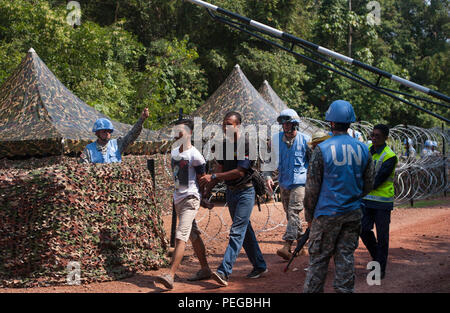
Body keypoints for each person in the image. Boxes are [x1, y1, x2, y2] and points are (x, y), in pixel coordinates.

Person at [303, 100, 374, 293]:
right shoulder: (363, 149)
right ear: (350, 122)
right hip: (353, 213)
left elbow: (311, 189)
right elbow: (369, 183)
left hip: (327, 214)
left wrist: (309, 217)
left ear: (331, 122)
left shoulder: (322, 149)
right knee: (345, 258)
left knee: (318, 260)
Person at [199, 111, 267, 287]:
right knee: (245, 232)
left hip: (245, 192)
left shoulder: (247, 144)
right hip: (231, 192)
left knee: (237, 231)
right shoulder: (222, 145)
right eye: (224, 123)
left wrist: (213, 175)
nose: (225, 127)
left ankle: (224, 271)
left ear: (238, 126)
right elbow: (219, 168)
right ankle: (259, 265)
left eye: (229, 124)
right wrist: (206, 192)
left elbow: (239, 172)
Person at [155, 119, 212, 290]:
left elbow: (203, 180)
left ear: (189, 133)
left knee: (181, 235)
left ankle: (170, 274)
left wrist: (203, 198)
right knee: (193, 235)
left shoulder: (195, 155)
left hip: (190, 198)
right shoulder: (174, 152)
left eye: (182, 131)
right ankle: (205, 269)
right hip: (178, 198)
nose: (178, 134)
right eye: (176, 131)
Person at [264, 109, 311, 261]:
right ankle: (302, 245)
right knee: (291, 215)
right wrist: (268, 176)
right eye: (283, 123)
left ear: (295, 124)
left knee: (293, 212)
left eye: (288, 123)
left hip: (300, 183)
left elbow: (313, 163)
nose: (285, 126)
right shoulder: (275, 140)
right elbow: (268, 160)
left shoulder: (306, 140)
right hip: (284, 182)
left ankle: (287, 245)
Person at [360, 124, 397, 280]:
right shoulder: (367, 149)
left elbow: (379, 180)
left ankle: (380, 269)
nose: (373, 138)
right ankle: (377, 259)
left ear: (385, 138)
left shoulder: (390, 156)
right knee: (363, 230)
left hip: (382, 202)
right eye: (372, 135)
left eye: (377, 136)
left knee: (382, 237)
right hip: (367, 200)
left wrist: (358, 187)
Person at [80, 108, 149, 163]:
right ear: (97, 133)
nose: (107, 133)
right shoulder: (89, 149)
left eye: (109, 131)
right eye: (104, 131)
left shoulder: (117, 144)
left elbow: (132, 135)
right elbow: (83, 169)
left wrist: (141, 120)